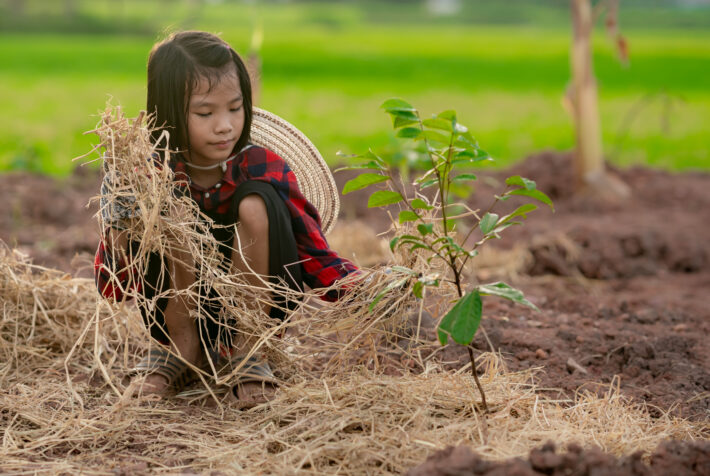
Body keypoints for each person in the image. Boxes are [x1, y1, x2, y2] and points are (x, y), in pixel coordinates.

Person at [94, 31, 358, 406]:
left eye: (235, 109)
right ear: (168, 112)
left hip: (257, 301)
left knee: (257, 202)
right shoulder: (146, 171)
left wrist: (356, 288)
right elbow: (117, 262)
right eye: (205, 113)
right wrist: (122, 208)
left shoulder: (262, 166)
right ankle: (181, 349)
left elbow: (309, 246)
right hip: (173, 304)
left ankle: (247, 350)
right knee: (165, 206)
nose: (224, 126)